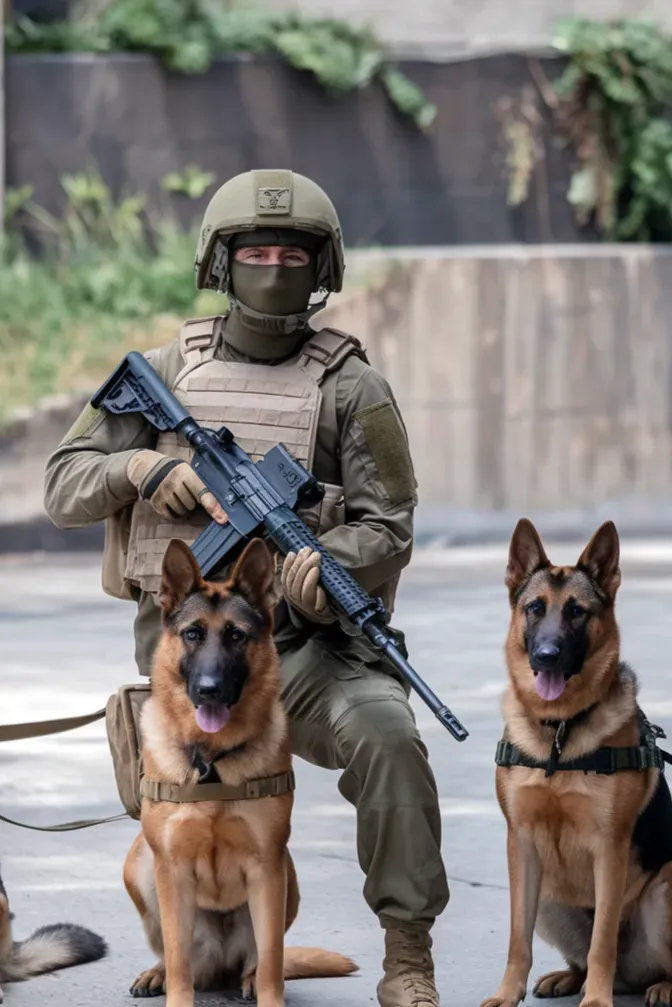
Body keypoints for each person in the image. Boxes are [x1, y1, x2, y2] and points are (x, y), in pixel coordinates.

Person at [43, 168, 449, 1007]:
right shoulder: (164, 371)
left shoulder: (352, 387)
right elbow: (62, 486)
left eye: (292, 251)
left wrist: (323, 569)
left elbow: (391, 524)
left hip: (308, 651)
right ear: (220, 262)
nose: (274, 264)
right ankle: (192, 952)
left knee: (390, 734)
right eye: (255, 249)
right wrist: (142, 466)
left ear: (321, 264)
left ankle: (408, 953)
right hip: (188, 661)